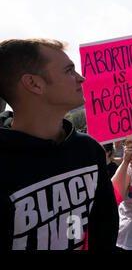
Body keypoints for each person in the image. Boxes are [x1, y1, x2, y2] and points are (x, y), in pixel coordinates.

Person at [0, 38, 118, 250]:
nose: (81, 78)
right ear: (34, 83)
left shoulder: (90, 150)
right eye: (69, 71)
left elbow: (105, 226)